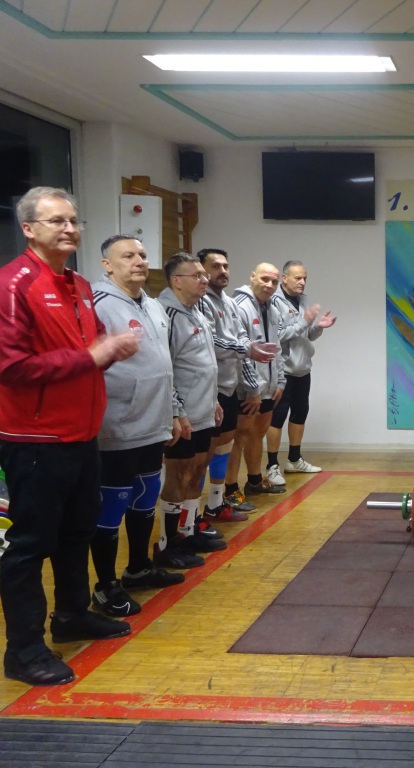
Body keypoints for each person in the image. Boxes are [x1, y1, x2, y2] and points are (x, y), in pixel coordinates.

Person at [0, 187, 140, 686]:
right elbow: (11, 367)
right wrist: (91, 356)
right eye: (56, 220)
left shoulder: (78, 284)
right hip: (35, 439)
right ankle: (23, 651)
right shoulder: (12, 284)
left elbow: (87, 352)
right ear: (29, 229)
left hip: (82, 434)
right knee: (30, 545)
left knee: (76, 532)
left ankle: (72, 615)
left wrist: (110, 350)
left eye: (74, 221)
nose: (69, 229)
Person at [90, 235, 185, 618]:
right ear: (107, 265)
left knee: (146, 499)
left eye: (143, 255)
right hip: (117, 427)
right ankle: (105, 586)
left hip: (154, 423)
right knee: (112, 507)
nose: (139, 261)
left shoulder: (153, 304)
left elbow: (165, 365)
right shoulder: (97, 303)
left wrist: (174, 411)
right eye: (127, 255)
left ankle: (139, 567)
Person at [155, 252, 225, 570]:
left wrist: (215, 400)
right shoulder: (167, 314)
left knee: (197, 470)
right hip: (183, 413)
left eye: (203, 274)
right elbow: (165, 368)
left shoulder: (196, 310)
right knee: (178, 475)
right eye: (196, 275)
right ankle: (167, 543)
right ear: (176, 281)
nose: (204, 280)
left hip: (204, 408)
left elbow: (205, 364)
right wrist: (175, 411)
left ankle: (188, 529)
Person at [197, 248, 275, 519]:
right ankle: (192, 517)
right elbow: (213, 342)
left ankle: (216, 504)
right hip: (208, 390)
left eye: (225, 266)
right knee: (203, 455)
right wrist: (245, 350)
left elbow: (243, 340)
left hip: (229, 386)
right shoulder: (200, 302)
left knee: (224, 447)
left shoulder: (228, 302)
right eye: (215, 266)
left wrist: (254, 384)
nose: (222, 271)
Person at [265, 260, 336, 483]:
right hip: (282, 370)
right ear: (284, 278)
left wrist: (317, 327)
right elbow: (276, 336)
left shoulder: (303, 300)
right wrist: (304, 323)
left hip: (302, 368)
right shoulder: (273, 301)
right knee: (277, 418)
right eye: (298, 278)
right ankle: (272, 465)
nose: (302, 282)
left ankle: (294, 460)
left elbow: (306, 335)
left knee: (300, 413)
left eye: (305, 278)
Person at [225, 263, 286, 499]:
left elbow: (276, 347)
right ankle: (230, 489)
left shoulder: (272, 308)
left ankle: (254, 480)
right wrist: (253, 389)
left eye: (274, 281)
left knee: (257, 434)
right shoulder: (239, 306)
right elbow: (241, 351)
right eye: (264, 279)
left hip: (268, 386)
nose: (269, 285)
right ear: (252, 277)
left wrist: (280, 381)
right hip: (248, 389)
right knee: (238, 438)